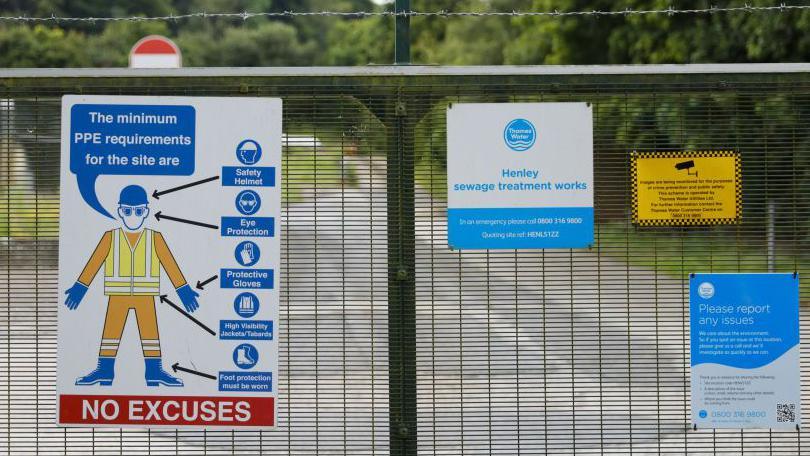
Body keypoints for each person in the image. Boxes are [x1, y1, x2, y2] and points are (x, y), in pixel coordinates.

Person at [64, 184, 200, 387]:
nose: (133, 215)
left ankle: (153, 371)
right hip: (117, 294)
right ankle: (105, 370)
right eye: (127, 211)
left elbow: (170, 265)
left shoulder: (155, 238)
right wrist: (80, 287)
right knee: (111, 332)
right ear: (120, 211)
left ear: (146, 211)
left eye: (138, 211)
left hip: (146, 295)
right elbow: (94, 263)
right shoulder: (111, 237)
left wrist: (184, 290)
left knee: (150, 333)